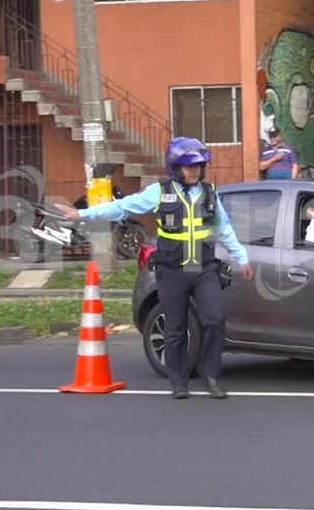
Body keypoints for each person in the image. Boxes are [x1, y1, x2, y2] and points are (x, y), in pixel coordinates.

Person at [54, 137, 252, 400]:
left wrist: (242, 257)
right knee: (175, 327)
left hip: (204, 268)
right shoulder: (159, 192)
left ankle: (210, 375)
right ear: (176, 168)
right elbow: (121, 207)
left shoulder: (209, 192)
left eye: (198, 166)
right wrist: (83, 214)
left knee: (215, 320)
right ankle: (178, 381)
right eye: (188, 166)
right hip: (172, 271)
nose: (194, 171)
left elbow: (223, 229)